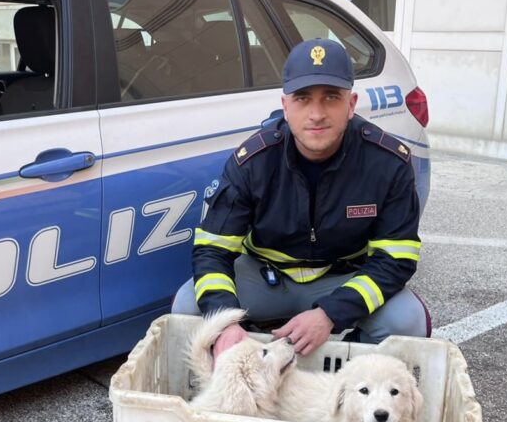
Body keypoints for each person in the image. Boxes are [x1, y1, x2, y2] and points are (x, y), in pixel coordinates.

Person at [171, 38, 430, 358]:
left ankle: (343, 387)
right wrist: (225, 321)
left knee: (408, 322)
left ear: (351, 104)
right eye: (303, 98)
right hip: (266, 278)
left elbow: (395, 259)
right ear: (285, 105)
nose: (316, 113)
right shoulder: (252, 162)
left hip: (342, 277)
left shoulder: (388, 163)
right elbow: (212, 251)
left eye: (331, 98)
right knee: (188, 308)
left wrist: (331, 314)